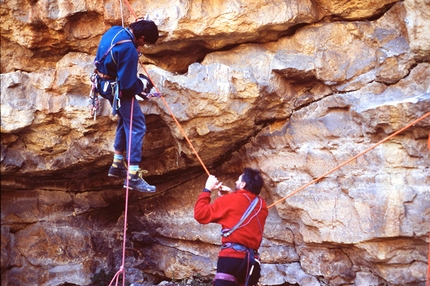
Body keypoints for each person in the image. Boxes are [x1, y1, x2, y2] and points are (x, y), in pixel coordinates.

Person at [93, 19, 159, 193]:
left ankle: (117, 164)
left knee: (126, 119)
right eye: (144, 42)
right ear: (141, 37)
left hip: (102, 84)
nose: (142, 46)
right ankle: (133, 175)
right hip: (118, 90)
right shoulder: (129, 49)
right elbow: (129, 85)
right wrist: (142, 86)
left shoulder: (116, 31)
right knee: (137, 125)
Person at [194, 168, 268, 286]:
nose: (236, 182)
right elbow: (242, 206)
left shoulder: (229, 200)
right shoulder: (262, 205)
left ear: (243, 184)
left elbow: (200, 214)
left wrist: (207, 189)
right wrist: (231, 194)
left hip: (231, 259)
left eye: (238, 180)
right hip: (252, 262)